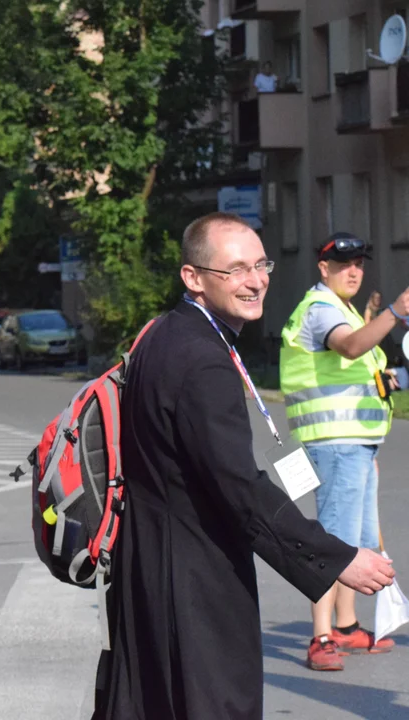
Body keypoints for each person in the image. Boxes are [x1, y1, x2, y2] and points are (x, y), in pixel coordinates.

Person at [93, 212, 395, 720]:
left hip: (151, 563)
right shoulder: (202, 358)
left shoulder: (163, 334)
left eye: (260, 265)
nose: (255, 281)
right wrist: (337, 556)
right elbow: (238, 489)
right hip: (192, 577)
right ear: (194, 278)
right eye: (234, 270)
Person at [279, 232, 409, 670]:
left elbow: (359, 371)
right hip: (335, 443)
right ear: (323, 268)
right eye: (343, 264)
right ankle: (320, 636)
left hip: (355, 442)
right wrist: (395, 311)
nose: (353, 270)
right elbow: (351, 347)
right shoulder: (320, 310)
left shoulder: (344, 309)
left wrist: (391, 379)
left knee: (356, 542)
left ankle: (347, 626)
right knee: (333, 540)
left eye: (359, 263)